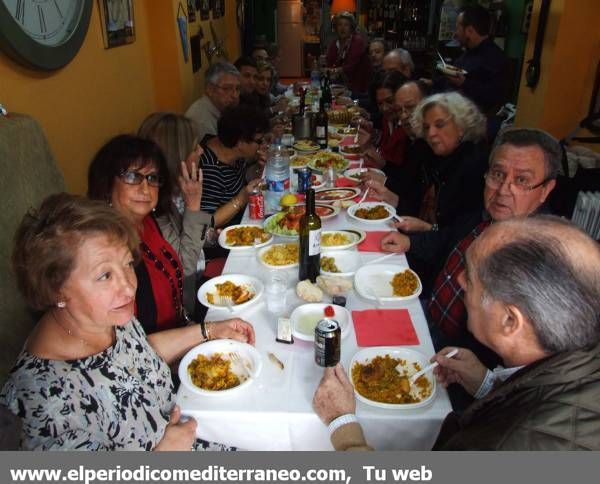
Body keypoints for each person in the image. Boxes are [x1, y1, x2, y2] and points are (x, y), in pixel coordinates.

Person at [314, 215, 600, 450]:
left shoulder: (503, 444)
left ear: (510, 322)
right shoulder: (582, 361)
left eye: (472, 277)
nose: (459, 279)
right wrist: (488, 385)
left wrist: (342, 424)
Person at [0, 193, 255, 450]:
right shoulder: (39, 405)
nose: (128, 287)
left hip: (194, 426)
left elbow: (141, 353)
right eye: (104, 276)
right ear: (56, 289)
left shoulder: (103, 314)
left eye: (127, 264)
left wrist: (209, 330)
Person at [381, 128, 560, 364]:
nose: (504, 190)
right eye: (498, 174)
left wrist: (482, 380)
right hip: (429, 310)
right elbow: (447, 240)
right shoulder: (485, 214)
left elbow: (520, 364)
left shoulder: (539, 261)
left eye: (522, 180)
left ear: (545, 190)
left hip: (450, 352)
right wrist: (410, 242)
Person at [88, 135, 207, 333]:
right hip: (152, 353)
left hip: (181, 328)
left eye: (152, 178)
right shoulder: (102, 245)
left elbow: (183, 268)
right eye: (132, 177)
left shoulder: (151, 223)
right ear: (107, 183)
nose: (145, 189)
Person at [369, 92, 488, 231]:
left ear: (461, 127)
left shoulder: (474, 166)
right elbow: (415, 205)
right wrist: (393, 199)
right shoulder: (429, 155)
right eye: (426, 127)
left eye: (440, 125)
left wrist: (427, 228)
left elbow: (462, 235)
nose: (431, 133)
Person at [137, 113, 213, 313]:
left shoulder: (174, 191)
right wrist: (194, 206)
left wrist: (209, 234)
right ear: (176, 157)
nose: (201, 151)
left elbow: (187, 236)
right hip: (183, 303)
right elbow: (182, 268)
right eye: (194, 147)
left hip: (196, 278)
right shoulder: (151, 208)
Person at [199, 105, 269, 228]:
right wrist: (240, 200)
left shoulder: (231, 150)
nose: (263, 144)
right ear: (240, 142)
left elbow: (241, 175)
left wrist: (258, 166)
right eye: (259, 141)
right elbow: (206, 223)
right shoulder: (210, 170)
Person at [436, 5, 509, 117]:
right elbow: (450, 80)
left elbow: (493, 96)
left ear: (469, 30)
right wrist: (431, 83)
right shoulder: (469, 52)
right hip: (448, 105)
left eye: (458, 28)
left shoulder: (495, 58)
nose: (456, 33)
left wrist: (464, 83)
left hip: (469, 119)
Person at [357, 70, 408, 169]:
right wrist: (372, 136)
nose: (384, 108)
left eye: (389, 101)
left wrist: (370, 148)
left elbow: (403, 176)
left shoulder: (408, 128)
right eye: (380, 103)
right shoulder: (387, 120)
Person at [185, 62, 241, 143]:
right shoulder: (201, 121)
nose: (235, 95)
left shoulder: (222, 110)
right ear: (210, 89)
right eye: (227, 88)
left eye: (238, 88)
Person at [325, 11, 371, 95]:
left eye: (346, 25)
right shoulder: (334, 43)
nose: (342, 28)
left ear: (351, 28)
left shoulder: (357, 41)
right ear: (336, 28)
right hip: (339, 85)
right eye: (339, 25)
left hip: (357, 87)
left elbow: (351, 66)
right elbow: (329, 63)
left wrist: (334, 70)